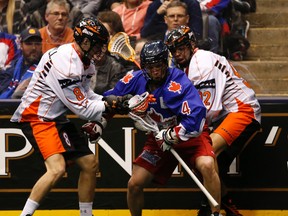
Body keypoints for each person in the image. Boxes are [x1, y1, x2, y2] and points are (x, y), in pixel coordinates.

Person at [10, 17, 131, 216]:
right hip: (37, 116)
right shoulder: (65, 63)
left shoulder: (85, 62)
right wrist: (114, 105)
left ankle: (85, 214)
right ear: (84, 42)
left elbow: (87, 95)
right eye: (97, 45)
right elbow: (83, 109)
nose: (101, 50)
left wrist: (110, 100)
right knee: (56, 169)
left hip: (56, 117)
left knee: (90, 164)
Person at [103, 40, 222, 216]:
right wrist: (123, 103)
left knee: (207, 164)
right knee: (134, 184)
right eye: (150, 67)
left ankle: (215, 213)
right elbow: (108, 98)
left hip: (188, 134)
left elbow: (196, 118)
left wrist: (172, 134)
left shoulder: (179, 81)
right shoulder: (134, 78)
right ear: (143, 66)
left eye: (158, 65)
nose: (155, 71)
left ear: (166, 62)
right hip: (158, 138)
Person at [165, 25, 261, 216]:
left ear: (192, 45)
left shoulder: (202, 65)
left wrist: (179, 127)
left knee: (207, 155)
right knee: (202, 162)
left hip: (243, 110)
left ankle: (209, 208)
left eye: (181, 47)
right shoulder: (191, 64)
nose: (177, 53)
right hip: (229, 113)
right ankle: (225, 203)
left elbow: (209, 111)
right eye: (173, 49)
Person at [0, 27, 42, 99]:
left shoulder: (46, 66)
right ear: (21, 45)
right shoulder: (14, 65)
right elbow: (3, 87)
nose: (34, 48)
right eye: (29, 44)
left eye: (37, 44)